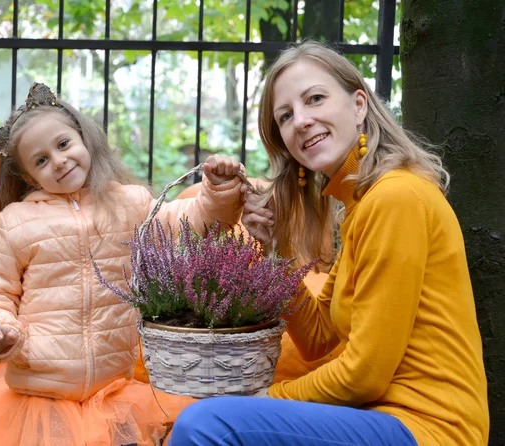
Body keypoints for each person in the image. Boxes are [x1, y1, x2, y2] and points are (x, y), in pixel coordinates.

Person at [168, 40, 489, 446]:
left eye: (315, 98)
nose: (300, 121)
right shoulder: (362, 204)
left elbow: (364, 375)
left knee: (208, 425)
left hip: (426, 426)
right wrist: (276, 250)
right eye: (285, 116)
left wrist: (266, 399)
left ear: (358, 105)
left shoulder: (396, 198)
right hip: (379, 418)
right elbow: (318, 338)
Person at [0, 82, 245, 446]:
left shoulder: (129, 204)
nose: (59, 160)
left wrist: (218, 193)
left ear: (84, 139)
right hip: (39, 400)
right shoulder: (18, 222)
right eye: (41, 160)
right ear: (28, 177)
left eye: (63, 144)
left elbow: (188, 224)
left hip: (114, 396)